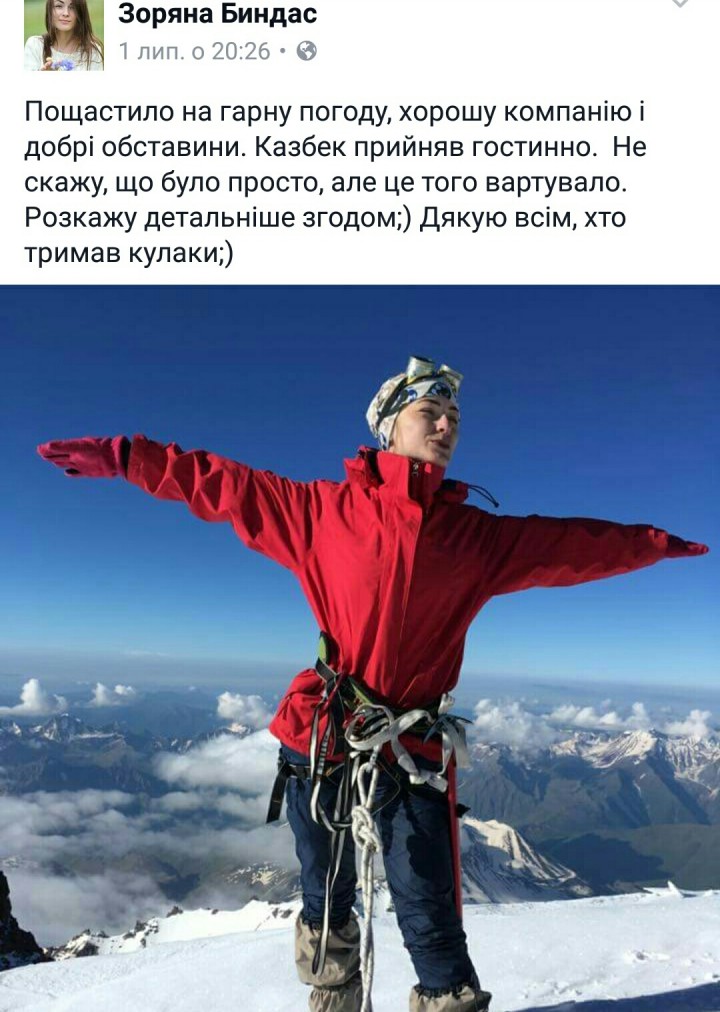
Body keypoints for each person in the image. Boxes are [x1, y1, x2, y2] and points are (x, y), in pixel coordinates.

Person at [37, 355, 708, 1012]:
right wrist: (126, 456)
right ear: (388, 427)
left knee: (430, 908)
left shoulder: (476, 538)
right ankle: (334, 1000)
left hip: (409, 749)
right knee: (326, 896)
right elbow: (219, 482)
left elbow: (572, 544)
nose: (445, 426)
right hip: (326, 735)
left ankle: (445, 1001)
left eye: (454, 417)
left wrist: (651, 543)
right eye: (430, 412)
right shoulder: (319, 511)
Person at [24, 0, 103, 72]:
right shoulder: (35, 45)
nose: (66, 13)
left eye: (72, 7)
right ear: (50, 10)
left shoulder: (92, 52)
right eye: (59, 6)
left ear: (81, 11)